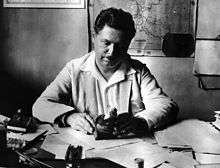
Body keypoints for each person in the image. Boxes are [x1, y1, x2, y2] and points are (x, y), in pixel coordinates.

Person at [33, 7, 178, 138]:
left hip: (131, 148)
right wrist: (69, 117)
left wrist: (141, 121)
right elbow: (40, 105)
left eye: (120, 46)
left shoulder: (138, 71)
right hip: (87, 147)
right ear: (94, 38)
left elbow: (166, 105)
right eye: (106, 43)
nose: (111, 52)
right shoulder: (74, 69)